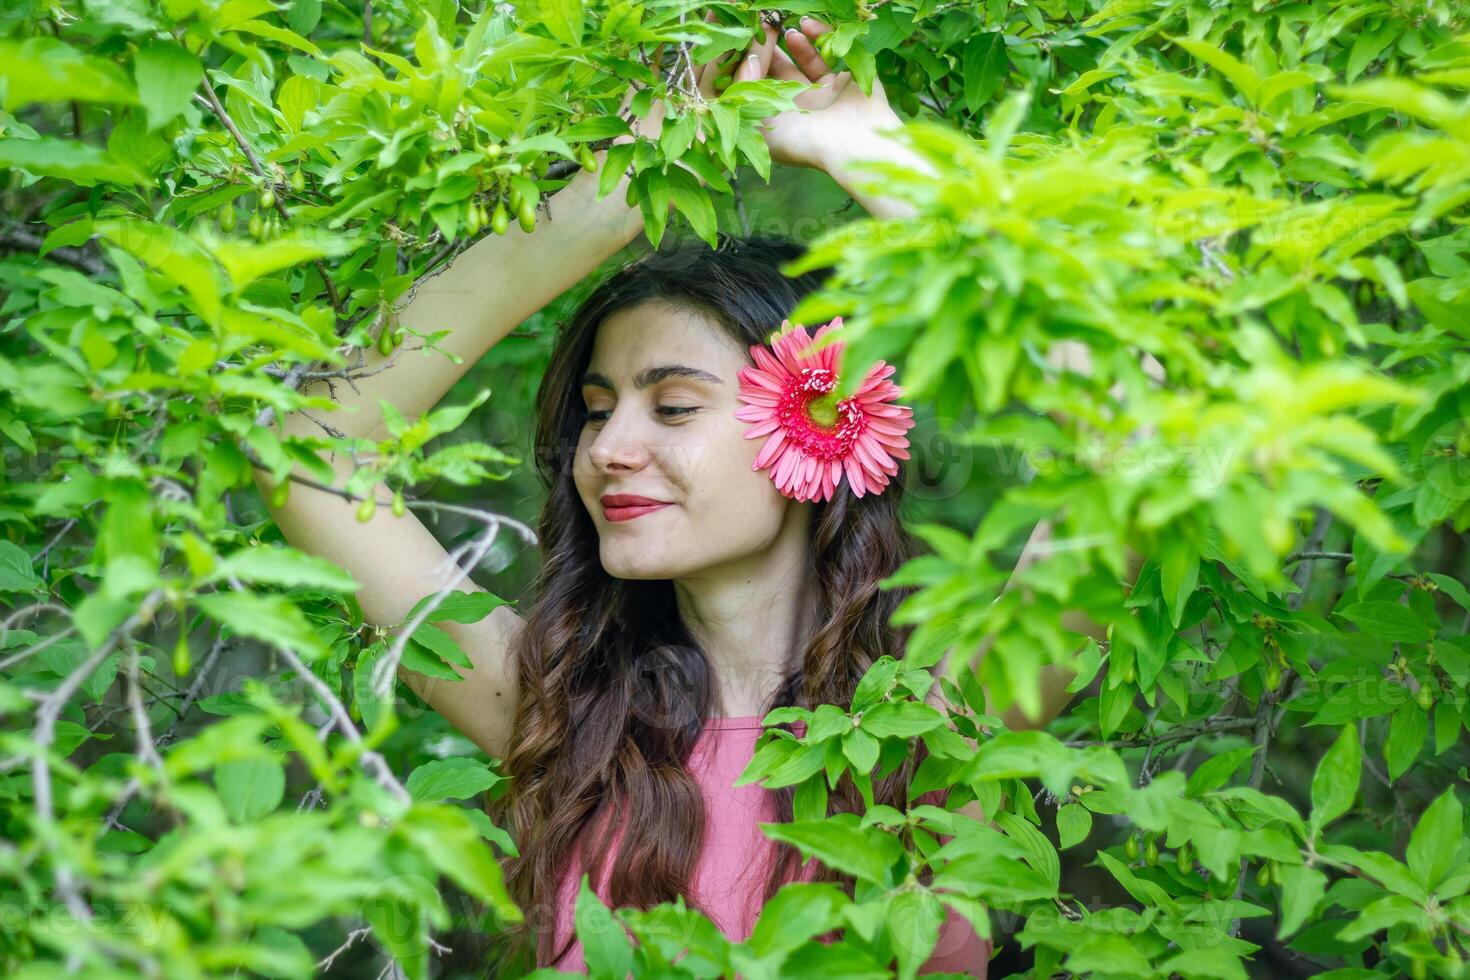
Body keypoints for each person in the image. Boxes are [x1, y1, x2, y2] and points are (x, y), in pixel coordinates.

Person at [255, 13, 1097, 975]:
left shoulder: (953, 720)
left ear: (822, 420)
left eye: (674, 406)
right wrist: (612, 194)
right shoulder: (555, 708)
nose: (608, 448)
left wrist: (882, 160)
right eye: (598, 408)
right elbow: (308, 448)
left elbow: (1147, 444)